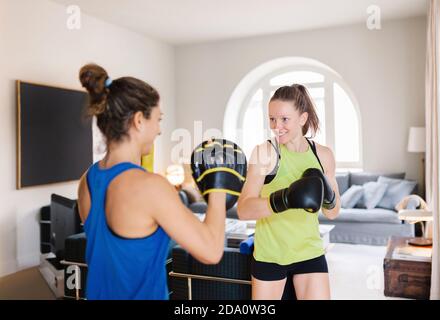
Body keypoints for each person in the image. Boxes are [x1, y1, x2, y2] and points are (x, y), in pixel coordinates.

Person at [76, 64, 245, 300]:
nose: (159, 130)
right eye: (158, 119)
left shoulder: (87, 181)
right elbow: (212, 251)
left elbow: (116, 253)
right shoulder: (151, 186)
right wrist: (219, 188)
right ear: (138, 121)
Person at [237, 84, 341, 300]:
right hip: (270, 255)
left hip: (309, 251)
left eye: (285, 119)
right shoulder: (265, 152)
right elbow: (244, 210)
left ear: (302, 118)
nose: (277, 127)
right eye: (272, 119)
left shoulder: (323, 155)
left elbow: (332, 212)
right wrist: (284, 199)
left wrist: (327, 194)